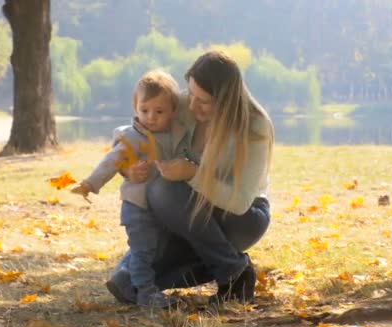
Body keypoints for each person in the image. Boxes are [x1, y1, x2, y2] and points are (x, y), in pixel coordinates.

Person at [106, 50, 274, 305]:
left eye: (203, 101)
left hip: (240, 218)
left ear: (225, 100)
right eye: (191, 93)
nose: (192, 105)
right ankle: (215, 259)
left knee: (162, 190)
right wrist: (126, 167)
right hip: (184, 215)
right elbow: (135, 133)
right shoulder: (184, 104)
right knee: (124, 282)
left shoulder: (254, 126)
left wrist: (194, 174)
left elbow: (240, 203)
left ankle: (234, 272)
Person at [71, 69, 180, 307]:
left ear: (173, 111)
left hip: (161, 208)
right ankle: (145, 292)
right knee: (143, 251)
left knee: (154, 249)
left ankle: (127, 285)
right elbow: (111, 161)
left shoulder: (173, 136)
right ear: (135, 107)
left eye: (159, 111)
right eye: (144, 110)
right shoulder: (132, 138)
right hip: (137, 206)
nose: (151, 117)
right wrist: (91, 183)